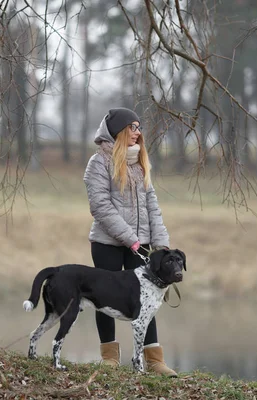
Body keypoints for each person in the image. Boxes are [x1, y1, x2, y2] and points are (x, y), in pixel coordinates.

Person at [83, 107, 177, 377]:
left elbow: (153, 207)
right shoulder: (98, 163)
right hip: (107, 244)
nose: (138, 132)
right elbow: (100, 207)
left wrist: (161, 244)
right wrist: (131, 239)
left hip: (142, 245)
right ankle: (109, 358)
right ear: (118, 131)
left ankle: (154, 360)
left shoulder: (140, 163)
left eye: (139, 127)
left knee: (146, 301)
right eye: (132, 127)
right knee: (103, 299)